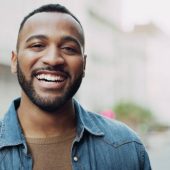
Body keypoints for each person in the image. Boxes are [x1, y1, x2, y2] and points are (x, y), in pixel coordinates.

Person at [0, 3, 152, 170]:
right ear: (14, 61)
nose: (53, 59)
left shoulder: (127, 148)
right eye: (37, 45)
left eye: (68, 48)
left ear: (84, 64)